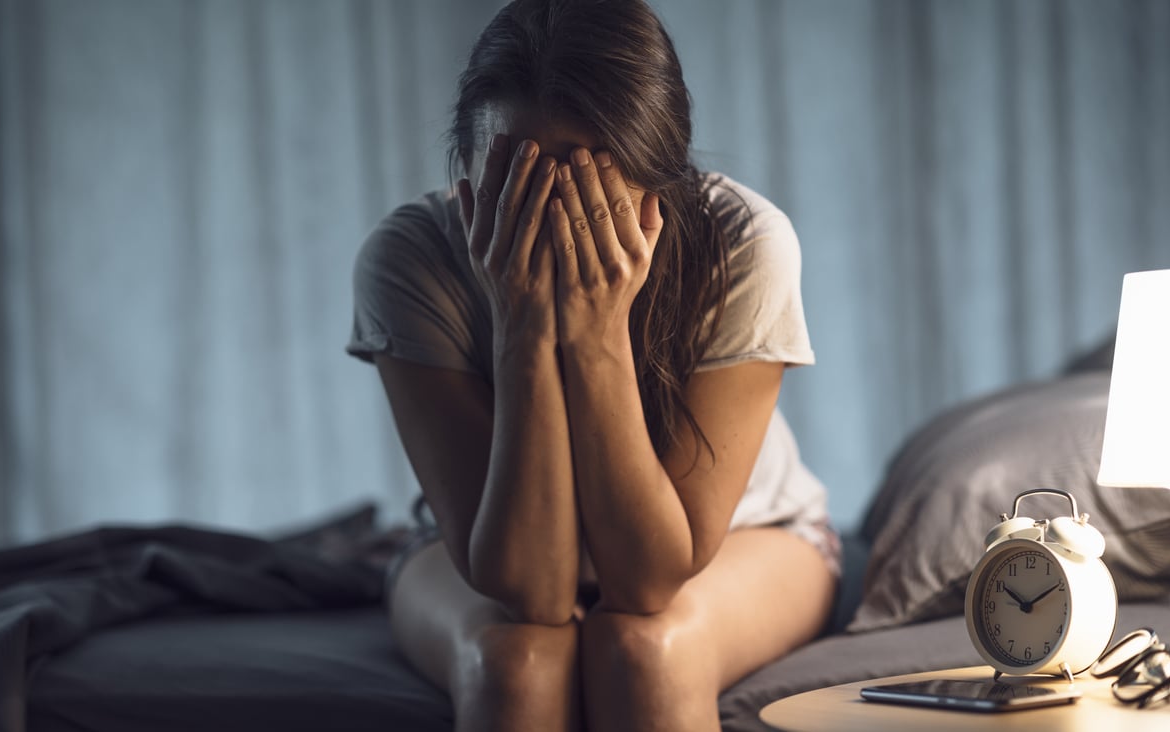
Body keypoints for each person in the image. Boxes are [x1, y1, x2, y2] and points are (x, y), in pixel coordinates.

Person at [348, 1, 838, 729]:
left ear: (656, 178)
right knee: (512, 661)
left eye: (579, 186)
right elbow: (532, 591)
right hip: (477, 547)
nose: (544, 216)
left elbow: (643, 583)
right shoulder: (412, 258)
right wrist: (522, 324)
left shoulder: (745, 243)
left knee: (647, 649)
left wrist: (598, 329)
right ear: (469, 168)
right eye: (513, 181)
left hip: (752, 534)